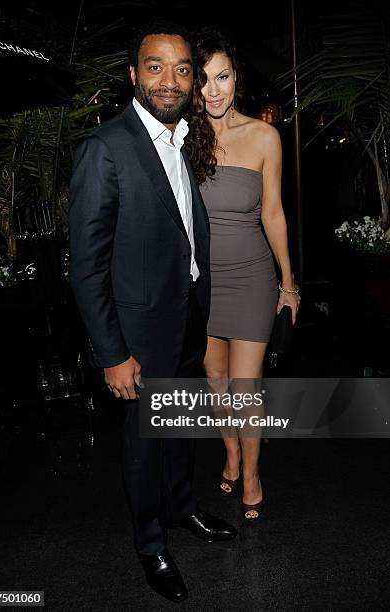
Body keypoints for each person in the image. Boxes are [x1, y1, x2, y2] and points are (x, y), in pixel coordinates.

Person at [68, 21, 237, 604]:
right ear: (134, 75)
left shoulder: (184, 140)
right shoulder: (104, 148)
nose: (171, 80)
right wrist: (112, 353)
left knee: (181, 432)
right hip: (137, 334)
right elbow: (86, 267)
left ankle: (184, 509)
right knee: (143, 445)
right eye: (156, 66)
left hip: (186, 316)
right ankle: (150, 545)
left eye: (182, 68)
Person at [186, 29, 300, 522]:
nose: (214, 91)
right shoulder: (182, 141)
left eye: (223, 77)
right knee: (215, 379)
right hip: (204, 284)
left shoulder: (264, 137)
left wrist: (289, 283)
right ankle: (229, 452)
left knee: (244, 386)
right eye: (204, 80)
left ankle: (252, 473)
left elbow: (273, 214)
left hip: (254, 278)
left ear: (237, 78)